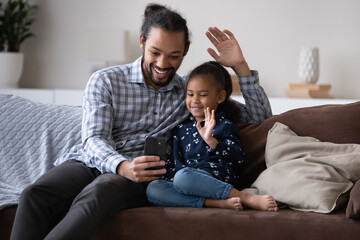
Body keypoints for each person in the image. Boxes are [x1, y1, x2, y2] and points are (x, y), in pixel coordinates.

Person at [10, 3, 273, 240]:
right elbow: (93, 139)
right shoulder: (106, 80)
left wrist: (240, 67)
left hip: (142, 174)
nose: (162, 64)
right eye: (155, 52)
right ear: (142, 42)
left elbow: (261, 120)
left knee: (97, 194)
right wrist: (121, 165)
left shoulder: (189, 94)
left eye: (174, 56)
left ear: (185, 52)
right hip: (91, 161)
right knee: (35, 194)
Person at [146, 61, 278, 211]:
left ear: (220, 97)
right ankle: (215, 203)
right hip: (186, 180)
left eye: (202, 95)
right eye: (190, 94)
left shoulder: (224, 125)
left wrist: (211, 141)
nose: (195, 100)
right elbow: (175, 161)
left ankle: (245, 197)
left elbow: (237, 158)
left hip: (215, 178)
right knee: (154, 188)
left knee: (183, 178)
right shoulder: (181, 127)